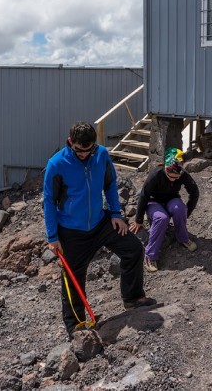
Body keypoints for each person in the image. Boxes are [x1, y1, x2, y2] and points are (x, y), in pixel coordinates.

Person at [43, 121, 155, 339]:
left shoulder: (101, 154)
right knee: (74, 279)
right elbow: (48, 201)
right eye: (79, 150)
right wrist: (53, 237)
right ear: (70, 143)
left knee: (133, 249)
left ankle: (132, 298)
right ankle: (75, 325)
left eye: (89, 150)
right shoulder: (56, 165)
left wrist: (115, 214)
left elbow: (110, 184)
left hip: (100, 222)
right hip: (71, 231)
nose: (84, 154)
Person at [129, 148, 200, 272]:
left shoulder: (183, 174)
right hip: (153, 201)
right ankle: (150, 256)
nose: (173, 180)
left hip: (171, 199)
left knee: (180, 209)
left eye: (176, 178)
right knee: (162, 218)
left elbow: (194, 192)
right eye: (170, 177)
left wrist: (186, 213)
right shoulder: (155, 175)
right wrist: (138, 219)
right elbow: (144, 196)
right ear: (165, 169)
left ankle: (183, 238)